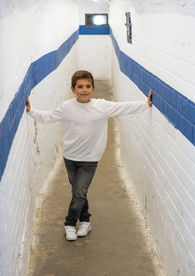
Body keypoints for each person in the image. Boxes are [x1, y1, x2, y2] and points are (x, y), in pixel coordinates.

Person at [26, 70, 152, 241]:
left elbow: (123, 107)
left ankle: (69, 223)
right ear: (73, 89)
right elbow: (48, 117)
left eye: (87, 86)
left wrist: (145, 104)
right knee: (79, 192)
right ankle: (85, 220)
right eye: (79, 87)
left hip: (90, 159)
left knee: (78, 193)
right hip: (70, 157)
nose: (83, 90)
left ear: (93, 88)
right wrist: (31, 110)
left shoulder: (101, 106)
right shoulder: (67, 107)